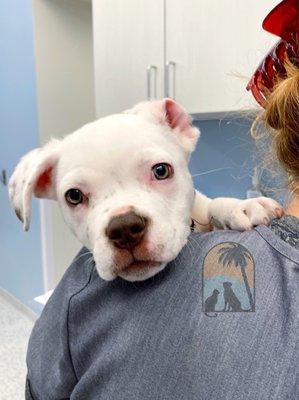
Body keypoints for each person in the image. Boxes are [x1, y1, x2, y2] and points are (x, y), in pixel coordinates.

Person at [25, 66, 299, 400]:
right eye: (77, 196)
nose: (124, 226)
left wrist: (221, 210)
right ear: (41, 185)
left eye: (159, 172)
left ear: (181, 132)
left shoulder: (78, 303)